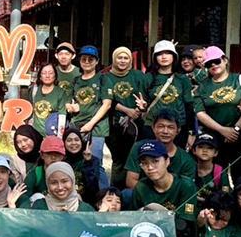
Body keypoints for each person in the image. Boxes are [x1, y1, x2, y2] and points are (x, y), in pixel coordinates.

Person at [193, 46, 241, 183]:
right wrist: (222, 130)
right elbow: (200, 112)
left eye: (216, 61)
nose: (213, 65)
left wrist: (236, 129)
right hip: (215, 137)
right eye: (209, 64)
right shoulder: (202, 86)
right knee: (217, 176)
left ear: (225, 60)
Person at [130, 140, 197, 237]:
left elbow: (183, 223)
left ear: (167, 161)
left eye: (155, 161)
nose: (150, 167)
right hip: (149, 236)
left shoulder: (186, 185)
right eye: (144, 163)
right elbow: (134, 219)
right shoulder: (141, 187)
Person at [103, 46, 150, 189]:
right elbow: (106, 100)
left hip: (137, 124)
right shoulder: (106, 77)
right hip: (115, 125)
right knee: (119, 161)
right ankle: (116, 193)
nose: (122, 61)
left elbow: (145, 96)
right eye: (119, 58)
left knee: (138, 158)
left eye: (126, 58)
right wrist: (127, 110)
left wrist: (139, 109)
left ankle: (136, 190)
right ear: (114, 59)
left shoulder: (138, 75)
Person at [124, 110, 196, 190]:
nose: (165, 131)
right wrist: (153, 194)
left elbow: (186, 189)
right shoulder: (139, 147)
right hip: (144, 194)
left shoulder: (186, 160)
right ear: (153, 128)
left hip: (172, 197)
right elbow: (131, 181)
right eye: (161, 126)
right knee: (127, 193)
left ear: (178, 130)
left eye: (170, 127)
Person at [70, 46, 112, 177]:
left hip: (97, 128)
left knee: (95, 163)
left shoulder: (103, 79)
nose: (87, 62)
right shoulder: (76, 81)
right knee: (77, 163)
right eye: (84, 59)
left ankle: (102, 190)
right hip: (77, 126)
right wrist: (71, 107)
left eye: (91, 59)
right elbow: (68, 101)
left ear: (97, 61)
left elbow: (107, 105)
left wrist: (90, 124)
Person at [140, 40, 195, 140]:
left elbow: (189, 106)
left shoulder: (182, 78)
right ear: (155, 57)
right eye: (160, 54)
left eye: (168, 53)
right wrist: (142, 107)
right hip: (152, 126)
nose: (164, 57)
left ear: (174, 56)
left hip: (177, 126)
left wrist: (191, 132)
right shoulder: (148, 78)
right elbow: (143, 102)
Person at [31, 162, 95, 211]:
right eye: (54, 183)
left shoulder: (86, 210)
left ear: (72, 182)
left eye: (64, 181)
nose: (60, 187)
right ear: (47, 184)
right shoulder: (39, 206)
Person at [29, 64, 70, 136]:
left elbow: (62, 116)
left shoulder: (60, 93)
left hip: (51, 135)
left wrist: (59, 137)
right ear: (40, 76)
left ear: (55, 76)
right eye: (44, 73)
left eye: (50, 73)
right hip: (35, 135)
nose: (47, 76)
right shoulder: (34, 90)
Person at [62, 128, 100, 204]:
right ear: (64, 143)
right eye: (69, 140)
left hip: (86, 202)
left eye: (76, 140)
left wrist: (88, 162)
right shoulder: (61, 161)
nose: (73, 143)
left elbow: (93, 187)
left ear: (81, 142)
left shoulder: (93, 160)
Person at [192, 133, 227, 206]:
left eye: (210, 148)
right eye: (201, 147)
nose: (205, 150)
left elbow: (225, 196)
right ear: (194, 150)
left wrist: (207, 200)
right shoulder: (189, 168)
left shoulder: (219, 172)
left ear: (216, 153)